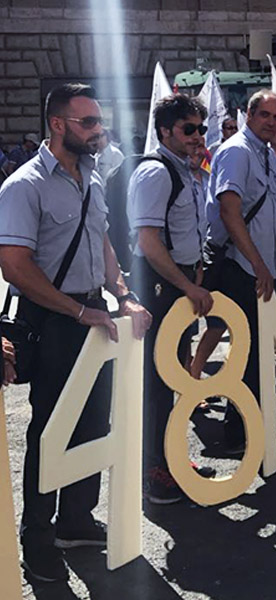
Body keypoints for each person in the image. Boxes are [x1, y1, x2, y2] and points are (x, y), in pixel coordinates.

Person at [0, 83, 152, 582]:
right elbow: (14, 266)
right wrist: (75, 310)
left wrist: (122, 291)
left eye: (99, 121)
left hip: (92, 313)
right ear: (58, 125)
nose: (99, 130)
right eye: (88, 122)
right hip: (53, 321)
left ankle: (76, 520)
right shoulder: (24, 184)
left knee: (94, 424)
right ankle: (37, 538)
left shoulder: (90, 176)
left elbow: (101, 239)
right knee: (51, 432)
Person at [127, 93, 215, 504]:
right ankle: (154, 471)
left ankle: (172, 458)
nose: (198, 136)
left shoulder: (186, 169)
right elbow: (148, 241)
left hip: (179, 286)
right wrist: (187, 284)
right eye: (189, 129)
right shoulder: (157, 172)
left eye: (201, 127)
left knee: (175, 375)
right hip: (162, 288)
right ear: (165, 132)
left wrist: (193, 277)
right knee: (157, 384)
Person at [208, 90, 276, 460]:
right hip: (241, 268)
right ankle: (251, 439)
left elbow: (272, 212)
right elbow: (231, 213)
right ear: (248, 115)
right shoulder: (237, 151)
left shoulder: (266, 153)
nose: (272, 122)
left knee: (255, 356)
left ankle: (243, 434)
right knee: (252, 358)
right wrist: (261, 266)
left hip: (262, 265)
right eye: (264, 115)